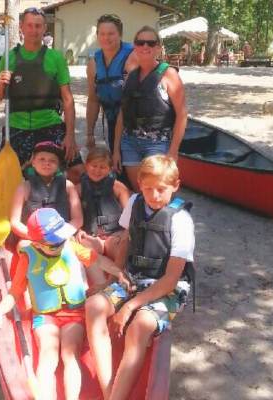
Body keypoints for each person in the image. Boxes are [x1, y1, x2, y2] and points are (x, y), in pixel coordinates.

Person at [0, 208, 131, 400]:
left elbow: (99, 260)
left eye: (62, 238)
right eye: (55, 243)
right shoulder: (28, 257)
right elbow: (16, 292)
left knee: (70, 353)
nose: (61, 244)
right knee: (48, 356)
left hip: (74, 313)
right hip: (45, 317)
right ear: (37, 243)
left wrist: (118, 272)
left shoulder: (70, 246)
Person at [85, 155, 195, 400]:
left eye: (161, 190)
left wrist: (130, 306)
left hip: (166, 286)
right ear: (139, 185)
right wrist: (116, 274)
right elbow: (126, 239)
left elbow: (171, 278)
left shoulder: (181, 220)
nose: (154, 196)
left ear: (175, 186)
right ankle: (108, 389)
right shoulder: (135, 202)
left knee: (139, 326)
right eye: (148, 189)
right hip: (133, 277)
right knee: (94, 305)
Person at [0, 6, 83, 183]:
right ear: (21, 27)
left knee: (78, 172)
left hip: (50, 125)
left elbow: (67, 99)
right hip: (16, 127)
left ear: (44, 29)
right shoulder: (8, 57)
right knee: (6, 181)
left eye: (38, 26)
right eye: (30, 25)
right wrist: (1, 84)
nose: (34, 30)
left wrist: (70, 135)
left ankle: (70, 209)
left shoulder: (55, 58)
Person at [112, 26, 188, 192]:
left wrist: (173, 151)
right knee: (141, 191)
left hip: (157, 143)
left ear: (158, 48)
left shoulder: (168, 74)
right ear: (135, 46)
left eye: (150, 43)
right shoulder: (130, 76)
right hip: (130, 142)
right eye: (140, 42)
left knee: (156, 192)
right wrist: (116, 149)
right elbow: (122, 115)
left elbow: (182, 115)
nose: (145, 46)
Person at [86, 14, 138, 154]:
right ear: (97, 36)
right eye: (102, 34)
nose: (106, 38)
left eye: (111, 33)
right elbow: (93, 100)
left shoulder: (133, 56)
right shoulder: (93, 63)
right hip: (111, 121)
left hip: (134, 124)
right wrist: (90, 133)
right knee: (117, 168)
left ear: (119, 34)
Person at [9, 141, 83, 240]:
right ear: (33, 162)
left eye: (52, 160)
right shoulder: (24, 188)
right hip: (32, 238)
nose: (47, 163)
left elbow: (78, 219)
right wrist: (36, 237)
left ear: (58, 165)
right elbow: (14, 222)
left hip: (63, 237)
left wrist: (60, 235)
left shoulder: (68, 186)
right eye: (42, 159)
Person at [76, 146, 130, 263]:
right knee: (86, 252)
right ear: (86, 165)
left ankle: (119, 277)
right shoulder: (78, 189)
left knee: (121, 250)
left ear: (110, 169)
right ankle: (103, 277)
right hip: (91, 235)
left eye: (102, 167)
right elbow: (73, 215)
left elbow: (130, 216)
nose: (97, 170)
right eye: (94, 166)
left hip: (115, 234)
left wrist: (124, 235)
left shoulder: (119, 187)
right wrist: (79, 230)